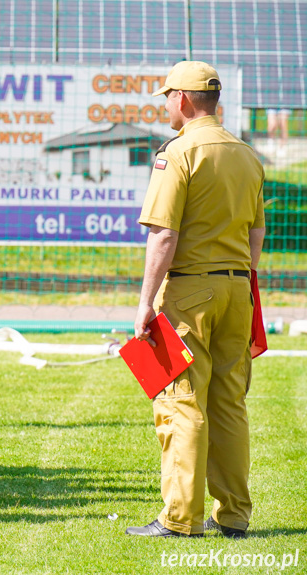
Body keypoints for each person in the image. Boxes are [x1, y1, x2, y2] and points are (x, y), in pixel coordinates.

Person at [127, 61, 265, 538]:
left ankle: (180, 518)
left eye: (167, 96)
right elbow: (257, 231)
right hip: (237, 289)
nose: (165, 103)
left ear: (182, 100)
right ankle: (233, 515)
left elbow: (164, 234)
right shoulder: (246, 154)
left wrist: (145, 302)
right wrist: (241, 282)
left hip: (189, 291)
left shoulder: (178, 153)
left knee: (181, 401)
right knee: (229, 402)